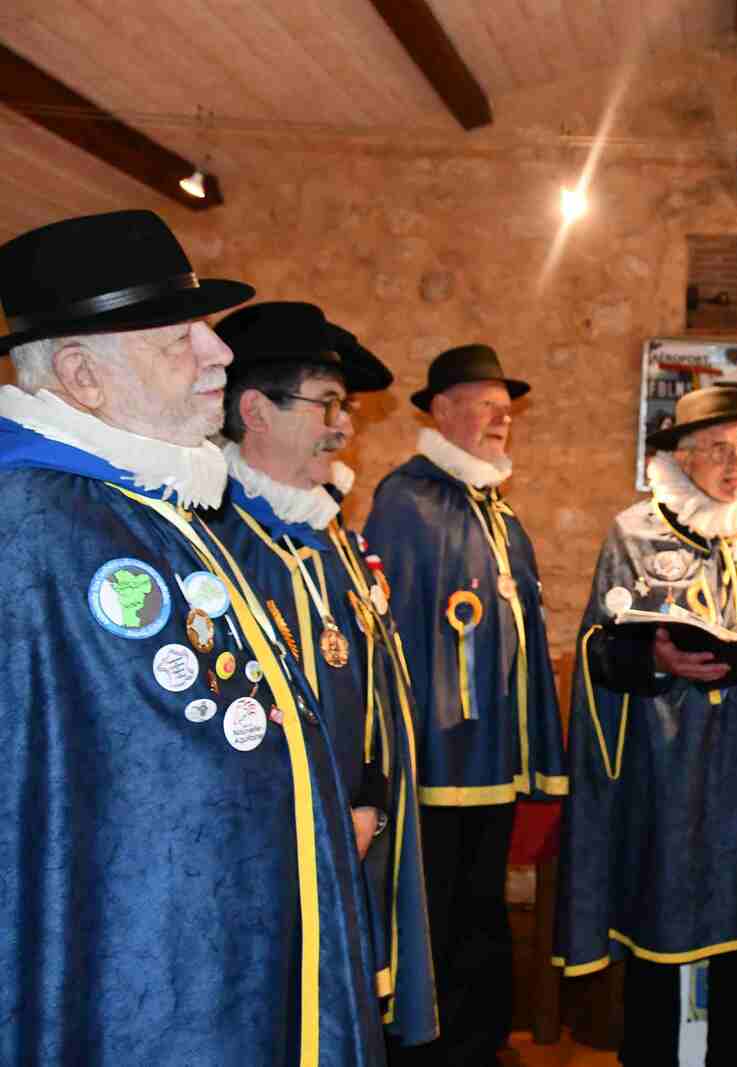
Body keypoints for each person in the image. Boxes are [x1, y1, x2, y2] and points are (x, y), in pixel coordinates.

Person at [0, 210, 383, 1065]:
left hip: (213, 958)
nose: (217, 353)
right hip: (140, 985)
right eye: (181, 338)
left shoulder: (141, 504)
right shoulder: (31, 526)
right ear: (82, 375)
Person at [554, 385, 737, 1067]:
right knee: (655, 940)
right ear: (681, 457)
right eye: (715, 448)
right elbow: (598, 650)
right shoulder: (635, 535)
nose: (735, 462)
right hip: (666, 776)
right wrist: (656, 657)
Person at [209, 301, 437, 1049]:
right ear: (255, 411)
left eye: (347, 408)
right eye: (327, 404)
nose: (343, 427)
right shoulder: (213, 536)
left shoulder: (327, 533)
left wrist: (367, 799)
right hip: (262, 860)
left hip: (350, 837)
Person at [365, 344, 568, 1067]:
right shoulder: (405, 501)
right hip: (435, 756)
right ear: (442, 411)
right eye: (485, 406)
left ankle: (480, 1044)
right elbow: (391, 631)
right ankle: (429, 1051)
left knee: (482, 909)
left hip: (490, 754)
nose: (500, 419)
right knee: (438, 912)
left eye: (505, 409)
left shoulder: (497, 511)